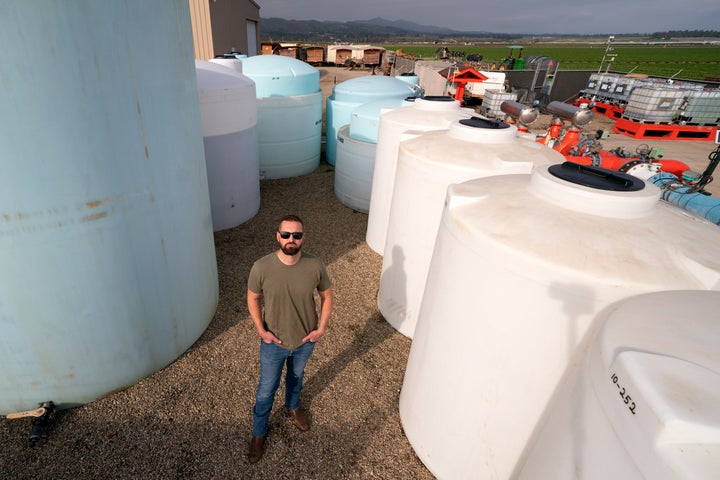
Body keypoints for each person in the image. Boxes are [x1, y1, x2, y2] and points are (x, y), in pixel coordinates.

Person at [246, 214, 334, 463]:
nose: (291, 239)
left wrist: (321, 328)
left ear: (303, 237)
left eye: (296, 235)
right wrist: (261, 330)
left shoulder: (315, 265)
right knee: (266, 390)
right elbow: (252, 298)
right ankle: (258, 434)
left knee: (296, 378)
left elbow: (327, 296)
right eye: (286, 234)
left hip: (305, 341)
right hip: (273, 343)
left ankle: (293, 407)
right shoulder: (261, 267)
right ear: (277, 236)